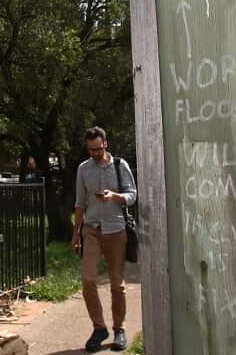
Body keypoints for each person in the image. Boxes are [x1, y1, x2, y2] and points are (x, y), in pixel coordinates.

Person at [72, 126, 137, 352]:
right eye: (91, 150)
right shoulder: (83, 169)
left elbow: (132, 195)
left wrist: (115, 196)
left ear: (105, 144)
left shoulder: (120, 166)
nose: (95, 153)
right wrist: (76, 233)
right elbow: (80, 203)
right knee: (88, 279)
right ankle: (99, 328)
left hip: (116, 229)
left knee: (117, 284)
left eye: (98, 149)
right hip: (91, 229)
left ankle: (119, 329)